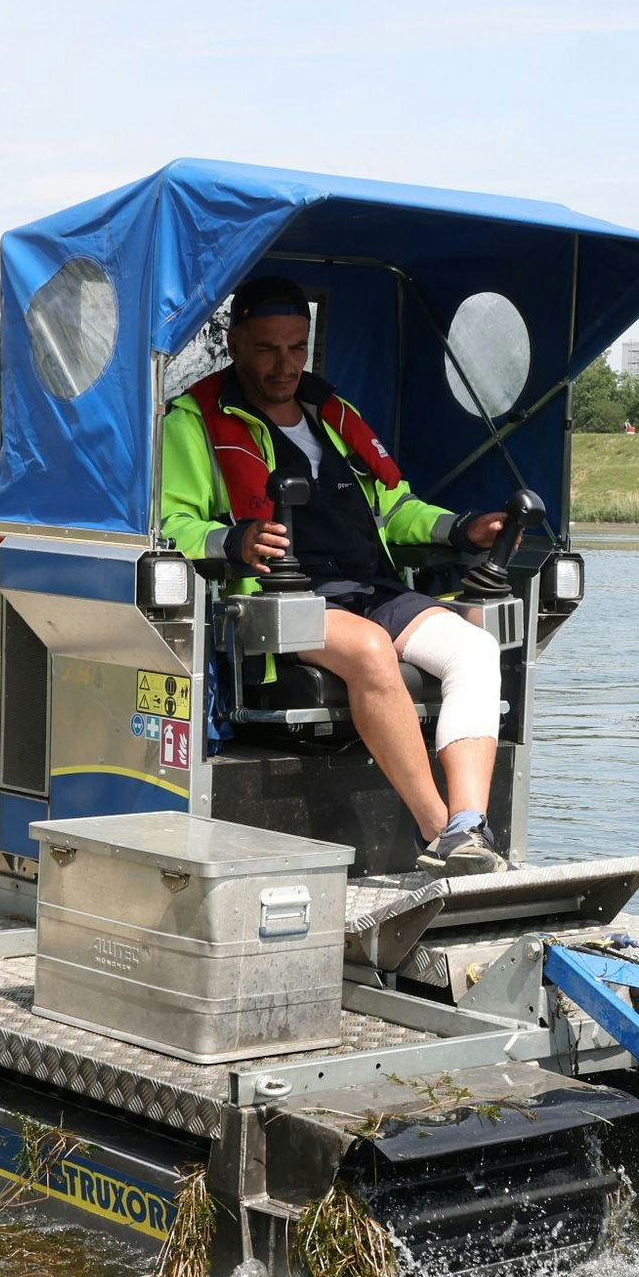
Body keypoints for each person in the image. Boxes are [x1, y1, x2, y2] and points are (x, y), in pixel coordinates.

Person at [157, 278, 516, 875]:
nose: (285, 365)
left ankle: (468, 826)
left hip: (369, 588)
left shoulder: (335, 416)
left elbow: (396, 509)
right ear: (236, 344)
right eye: (268, 348)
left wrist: (463, 528)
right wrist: (234, 540)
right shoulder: (193, 422)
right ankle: (436, 831)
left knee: (475, 650)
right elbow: (173, 524)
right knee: (372, 651)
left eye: (297, 348)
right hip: (275, 605)